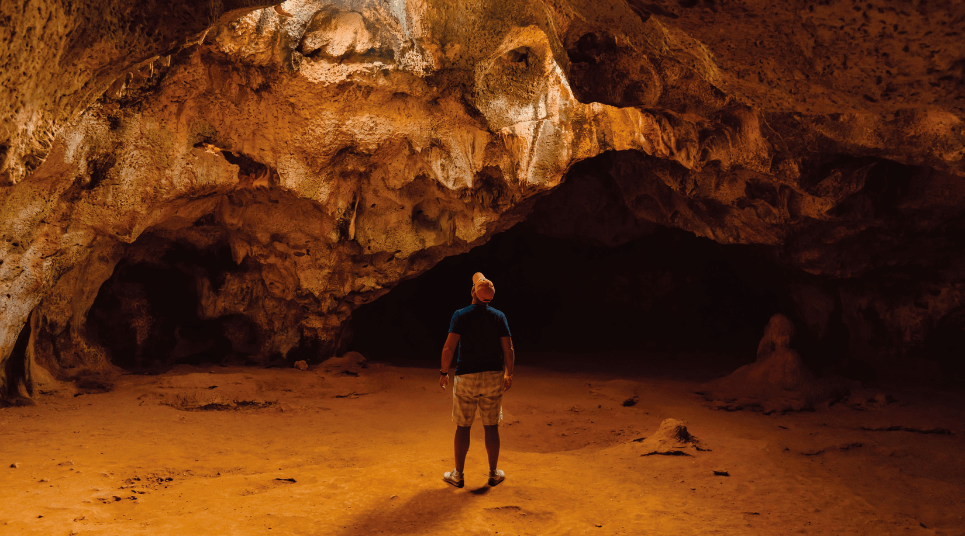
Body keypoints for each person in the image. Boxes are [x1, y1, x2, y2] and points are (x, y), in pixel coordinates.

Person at [439, 272, 515, 488]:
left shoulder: (460, 315)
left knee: (463, 426)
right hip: (493, 376)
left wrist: (444, 372)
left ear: (473, 293)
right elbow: (508, 348)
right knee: (491, 426)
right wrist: (509, 373)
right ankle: (493, 473)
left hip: (466, 377)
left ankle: (458, 474)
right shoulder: (499, 316)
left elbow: (449, 347)